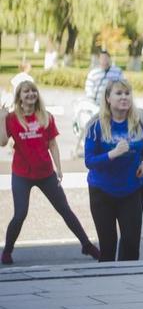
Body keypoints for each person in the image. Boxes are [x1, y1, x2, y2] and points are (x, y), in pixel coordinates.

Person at [1, 81, 99, 265]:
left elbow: (52, 144)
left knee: (65, 209)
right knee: (20, 214)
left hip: (46, 173)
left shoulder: (46, 117)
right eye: (26, 91)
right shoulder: (12, 119)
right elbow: (2, 143)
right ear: (19, 97)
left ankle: (86, 245)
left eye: (33, 91)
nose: (30, 94)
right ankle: (7, 251)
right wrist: (0, 118)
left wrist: (59, 168)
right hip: (22, 174)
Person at [84, 79, 143, 261]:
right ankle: (107, 284)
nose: (124, 97)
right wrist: (113, 153)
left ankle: (128, 284)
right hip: (102, 191)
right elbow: (89, 161)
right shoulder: (95, 125)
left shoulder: (141, 119)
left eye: (127, 93)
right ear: (108, 98)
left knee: (131, 244)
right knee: (108, 245)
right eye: (119, 93)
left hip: (131, 190)